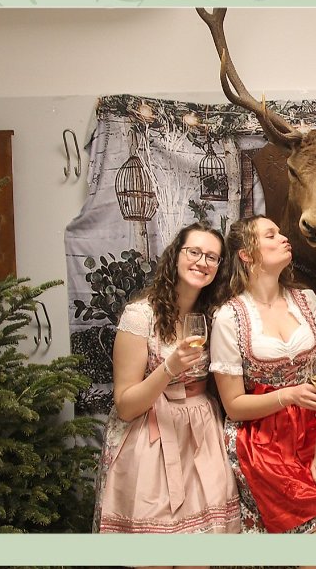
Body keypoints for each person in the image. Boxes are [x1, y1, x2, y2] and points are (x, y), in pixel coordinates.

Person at [210, 215, 316, 539]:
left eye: (280, 233)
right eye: (270, 235)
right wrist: (288, 396)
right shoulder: (230, 317)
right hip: (262, 440)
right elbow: (234, 406)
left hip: (314, 430)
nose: (284, 238)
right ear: (246, 254)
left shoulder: (306, 301)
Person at [93, 223, 240, 535]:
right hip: (149, 436)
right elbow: (125, 406)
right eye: (194, 252)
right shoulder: (140, 316)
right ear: (175, 256)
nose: (202, 262)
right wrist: (169, 368)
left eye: (212, 257)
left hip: (202, 434)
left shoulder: (216, 315)